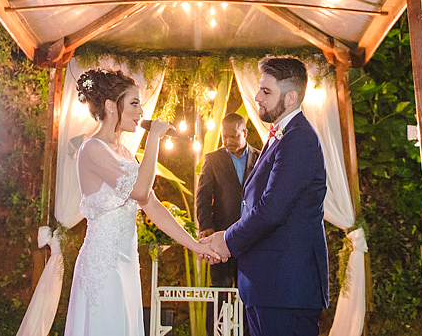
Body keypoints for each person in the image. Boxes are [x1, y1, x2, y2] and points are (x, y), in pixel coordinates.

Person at [64, 69, 221, 336]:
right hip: (104, 266)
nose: (141, 111)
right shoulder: (92, 149)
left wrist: (195, 245)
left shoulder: (125, 154)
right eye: (134, 103)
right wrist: (154, 138)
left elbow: (152, 204)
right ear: (111, 106)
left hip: (127, 265)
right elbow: (139, 191)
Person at [200, 56, 329, 336]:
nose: (257, 97)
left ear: (291, 97)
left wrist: (227, 240)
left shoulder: (299, 139)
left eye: (266, 91)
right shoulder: (280, 136)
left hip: (286, 288)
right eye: (260, 89)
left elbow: (272, 209)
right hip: (268, 286)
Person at [196, 113, 260, 289]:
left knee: (250, 290)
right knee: (220, 290)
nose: (228, 141)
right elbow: (203, 195)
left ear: (244, 133)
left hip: (251, 236)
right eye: (225, 136)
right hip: (221, 235)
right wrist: (205, 226)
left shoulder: (261, 158)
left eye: (234, 136)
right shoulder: (212, 159)